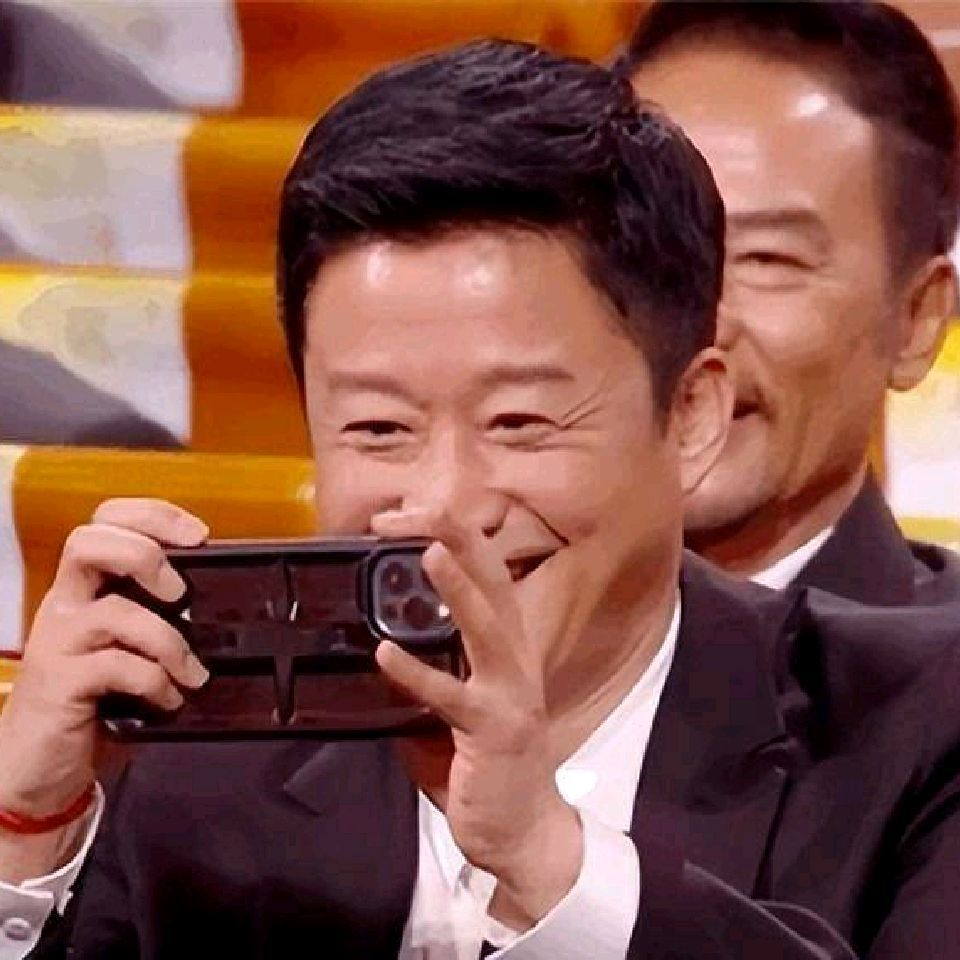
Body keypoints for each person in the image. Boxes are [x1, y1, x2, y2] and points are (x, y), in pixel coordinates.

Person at [1, 38, 959, 960]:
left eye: (519, 423)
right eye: (379, 429)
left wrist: (549, 861)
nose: (442, 506)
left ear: (692, 415)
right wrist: (25, 837)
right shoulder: (201, 758)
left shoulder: (917, 729)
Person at [621, 0, 960, 603]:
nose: (697, 323)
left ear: (916, 321)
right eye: (648, 248)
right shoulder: (463, 632)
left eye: (767, 260)